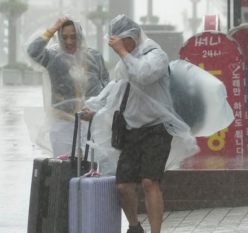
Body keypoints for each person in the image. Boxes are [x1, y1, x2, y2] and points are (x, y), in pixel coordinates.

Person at [81, 15, 198, 233]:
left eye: (121, 40)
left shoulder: (156, 55)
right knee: (124, 185)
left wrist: (123, 53)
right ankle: (135, 226)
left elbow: (144, 75)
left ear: (133, 36)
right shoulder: (125, 62)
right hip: (131, 129)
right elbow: (117, 88)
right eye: (115, 41)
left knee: (149, 182)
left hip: (157, 128)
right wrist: (96, 107)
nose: (118, 46)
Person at [26, 16, 109, 158]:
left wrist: (98, 112)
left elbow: (106, 87)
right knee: (65, 171)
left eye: (73, 37)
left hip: (90, 123)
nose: (69, 42)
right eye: (64, 37)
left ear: (81, 36)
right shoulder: (53, 57)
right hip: (62, 124)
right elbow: (33, 51)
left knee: (90, 170)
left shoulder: (94, 57)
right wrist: (53, 28)